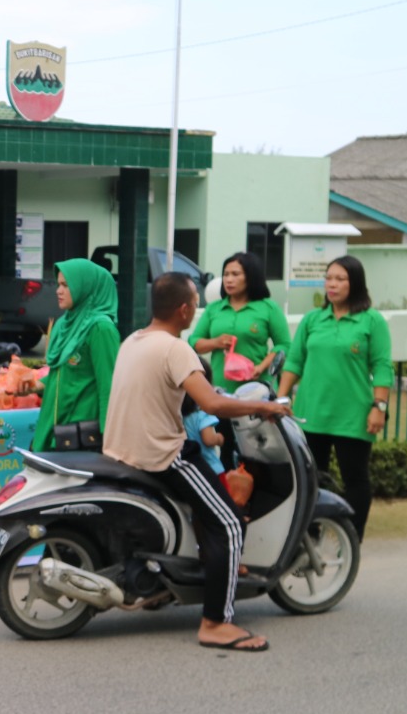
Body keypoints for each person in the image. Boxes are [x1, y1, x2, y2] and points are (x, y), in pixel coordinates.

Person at [105, 274, 289, 652]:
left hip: (124, 450)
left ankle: (197, 575)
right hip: (162, 454)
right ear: (184, 309)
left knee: (211, 513)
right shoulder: (176, 349)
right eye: (194, 302)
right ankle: (216, 623)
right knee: (231, 522)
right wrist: (263, 405)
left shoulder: (133, 340)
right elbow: (213, 405)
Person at [277, 255, 393, 539]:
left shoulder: (371, 320)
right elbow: (294, 361)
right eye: (329, 278)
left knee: (355, 479)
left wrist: (379, 406)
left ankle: (351, 537)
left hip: (353, 414)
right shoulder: (313, 319)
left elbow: (382, 366)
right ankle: (312, 534)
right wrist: (280, 399)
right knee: (313, 478)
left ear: (355, 284)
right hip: (311, 413)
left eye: (340, 279)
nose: (332, 284)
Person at [22, 259, 121, 452]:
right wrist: (33, 386)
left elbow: (108, 387)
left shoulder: (101, 328)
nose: (58, 291)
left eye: (66, 286)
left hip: (79, 437)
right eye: (59, 285)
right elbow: (61, 376)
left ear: (86, 288)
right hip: (51, 429)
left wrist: (109, 440)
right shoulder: (62, 325)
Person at [190, 252, 291, 389]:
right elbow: (194, 342)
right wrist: (216, 342)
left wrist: (261, 367)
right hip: (220, 389)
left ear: (251, 277)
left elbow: (284, 345)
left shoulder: (268, 308)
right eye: (226, 274)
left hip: (257, 388)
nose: (229, 280)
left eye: (235, 274)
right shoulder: (214, 309)